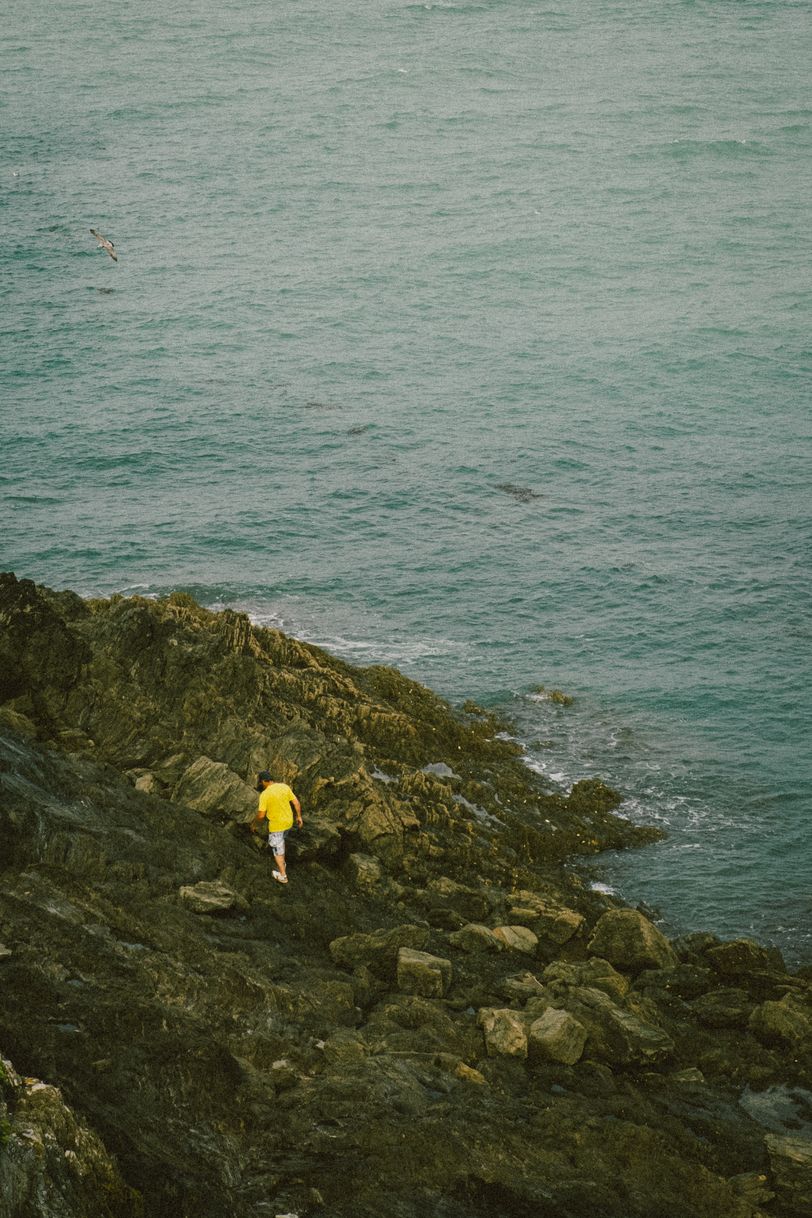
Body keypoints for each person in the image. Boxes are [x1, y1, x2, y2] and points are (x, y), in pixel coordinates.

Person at [251, 771, 303, 884]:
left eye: (260, 782)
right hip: (288, 823)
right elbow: (296, 803)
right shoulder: (284, 787)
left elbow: (261, 815)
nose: (260, 784)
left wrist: (254, 825)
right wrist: (299, 817)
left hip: (277, 826)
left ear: (264, 781)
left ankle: (283, 875)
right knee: (281, 841)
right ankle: (282, 862)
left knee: (277, 849)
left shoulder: (265, 795)